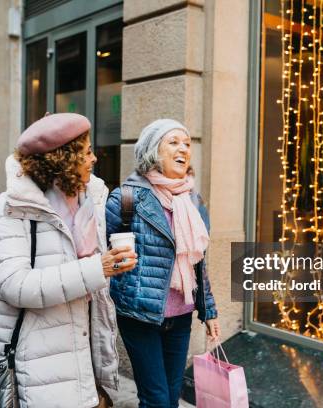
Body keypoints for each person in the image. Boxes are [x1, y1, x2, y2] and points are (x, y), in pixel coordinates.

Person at [0, 113, 137, 408]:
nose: (94, 159)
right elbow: (16, 285)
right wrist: (98, 267)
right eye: (87, 151)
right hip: (35, 358)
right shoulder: (13, 206)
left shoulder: (90, 201)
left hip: (83, 356)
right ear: (63, 158)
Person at [106, 119, 221, 408]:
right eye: (173, 142)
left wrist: (209, 311)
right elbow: (103, 262)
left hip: (181, 315)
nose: (183, 148)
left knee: (171, 397)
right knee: (156, 400)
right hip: (140, 316)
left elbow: (198, 263)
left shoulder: (193, 201)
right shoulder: (125, 199)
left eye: (186, 143)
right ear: (152, 151)